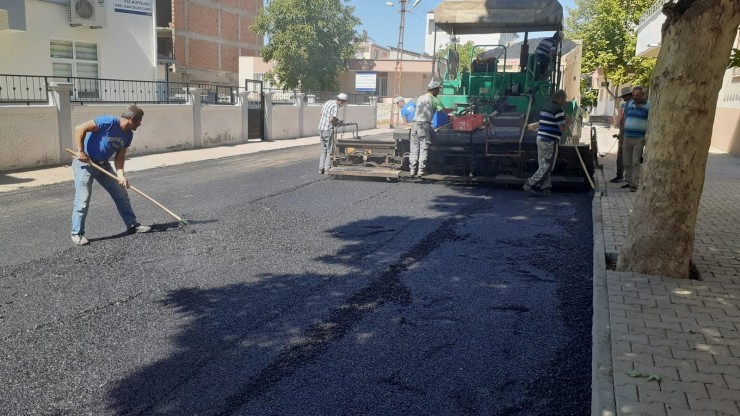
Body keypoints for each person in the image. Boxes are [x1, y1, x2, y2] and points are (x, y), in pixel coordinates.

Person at [71, 104, 151, 246]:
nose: (140, 124)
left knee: (121, 193)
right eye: (139, 121)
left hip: (103, 165)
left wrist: (121, 175)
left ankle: (132, 225)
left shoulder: (128, 135)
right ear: (132, 119)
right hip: (86, 163)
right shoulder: (107, 122)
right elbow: (79, 128)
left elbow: (120, 156)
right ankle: (77, 233)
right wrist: (80, 151)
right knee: (82, 200)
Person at [523, 89, 574, 196]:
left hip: (540, 138)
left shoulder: (546, 107)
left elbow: (547, 121)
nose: (565, 101)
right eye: (565, 99)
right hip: (550, 140)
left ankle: (546, 187)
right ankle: (529, 183)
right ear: (560, 98)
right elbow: (562, 129)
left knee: (542, 164)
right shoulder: (559, 109)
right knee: (548, 166)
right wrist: (569, 122)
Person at [410, 80, 452, 177]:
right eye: (438, 90)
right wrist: (454, 108)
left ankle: (412, 170)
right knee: (423, 147)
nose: (439, 92)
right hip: (424, 125)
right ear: (434, 90)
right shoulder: (434, 99)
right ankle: (421, 170)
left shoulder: (420, 98)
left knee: (414, 148)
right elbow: (444, 111)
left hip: (415, 125)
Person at [620, 86, 650, 192]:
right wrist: (621, 136)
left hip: (639, 137)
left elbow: (651, 121)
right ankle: (628, 181)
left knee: (636, 161)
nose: (635, 97)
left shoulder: (648, 105)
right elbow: (624, 119)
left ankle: (635, 184)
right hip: (627, 136)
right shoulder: (629, 104)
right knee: (626, 161)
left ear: (643, 95)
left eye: (637, 95)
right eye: (633, 95)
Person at [317, 93, 348, 174]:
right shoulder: (335, 106)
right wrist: (336, 122)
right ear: (341, 100)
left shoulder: (328, 102)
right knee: (329, 150)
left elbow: (321, 114)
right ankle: (327, 169)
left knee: (323, 150)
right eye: (344, 102)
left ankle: (321, 169)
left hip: (321, 128)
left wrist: (335, 118)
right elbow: (331, 120)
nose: (343, 104)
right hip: (328, 129)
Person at [610, 86, 633, 183]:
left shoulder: (629, 105)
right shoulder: (626, 104)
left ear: (629, 95)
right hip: (625, 133)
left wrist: (622, 136)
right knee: (623, 156)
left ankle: (624, 176)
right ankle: (623, 175)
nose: (623, 98)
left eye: (625, 96)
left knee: (623, 156)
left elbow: (624, 121)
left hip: (627, 134)